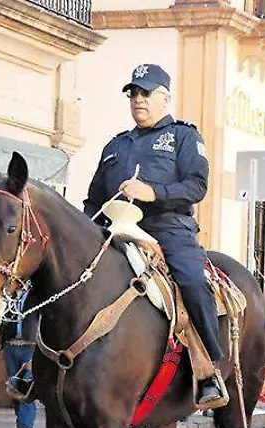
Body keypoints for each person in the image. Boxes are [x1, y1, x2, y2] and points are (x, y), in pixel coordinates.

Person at [82, 63, 227, 410]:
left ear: (165, 98)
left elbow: (197, 186)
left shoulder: (183, 137)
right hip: (116, 228)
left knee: (192, 281)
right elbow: (93, 200)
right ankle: (38, 364)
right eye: (133, 93)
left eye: (146, 93)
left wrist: (153, 192)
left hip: (168, 228)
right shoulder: (116, 145)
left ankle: (210, 368)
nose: (138, 99)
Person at [0, 293, 39, 428]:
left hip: (31, 348)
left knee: (25, 388)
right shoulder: (8, 295)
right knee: (14, 388)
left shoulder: (36, 294)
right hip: (10, 347)